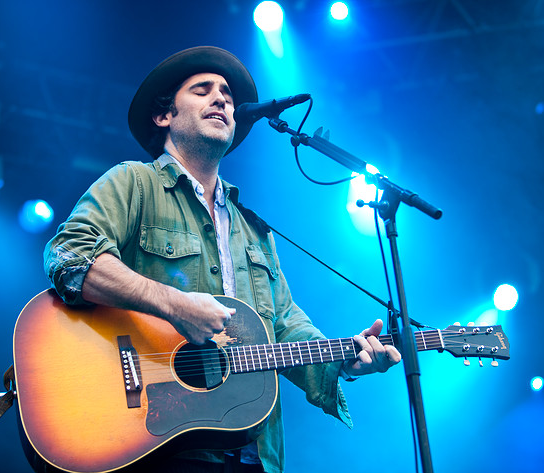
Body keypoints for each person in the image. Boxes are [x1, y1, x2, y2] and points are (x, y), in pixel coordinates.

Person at [43, 46, 401, 473]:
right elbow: (71, 255)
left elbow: (285, 326)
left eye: (228, 96)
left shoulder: (254, 228)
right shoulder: (133, 183)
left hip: (253, 453)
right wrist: (175, 305)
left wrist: (345, 361)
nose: (222, 100)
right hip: (158, 445)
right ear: (164, 117)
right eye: (202, 90)